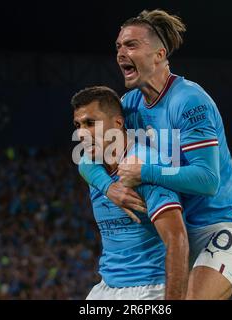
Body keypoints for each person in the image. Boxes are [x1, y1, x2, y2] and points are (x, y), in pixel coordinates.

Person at [78, 10, 232, 299]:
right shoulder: (129, 104)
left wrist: (146, 172)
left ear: (159, 54)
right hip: (184, 226)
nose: (120, 53)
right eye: (118, 47)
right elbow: (86, 154)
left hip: (224, 223)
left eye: (131, 45)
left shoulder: (189, 101)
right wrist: (108, 187)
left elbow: (208, 180)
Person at [71, 86, 189, 300]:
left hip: (149, 288)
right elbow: (83, 163)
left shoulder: (143, 165)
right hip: (106, 286)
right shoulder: (94, 163)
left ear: (118, 123)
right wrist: (108, 187)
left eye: (90, 123)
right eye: (77, 125)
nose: (81, 133)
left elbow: (177, 239)